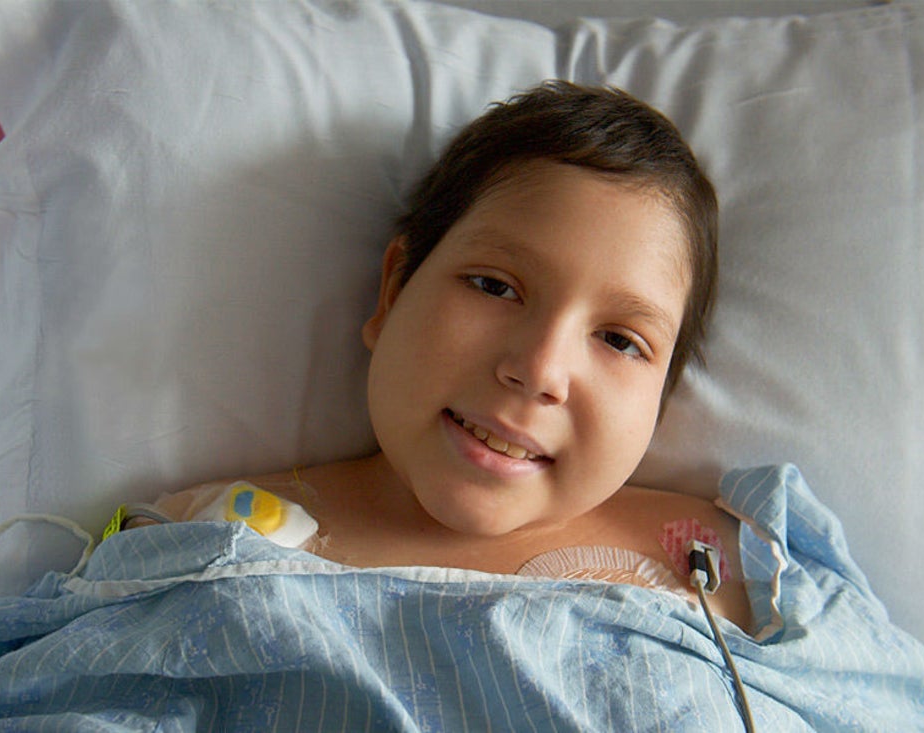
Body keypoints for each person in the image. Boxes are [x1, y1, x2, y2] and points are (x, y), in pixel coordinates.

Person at [121, 80, 753, 631]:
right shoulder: (202, 539)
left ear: (663, 393)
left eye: (619, 340)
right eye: (495, 287)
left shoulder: (741, 569)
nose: (538, 370)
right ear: (394, 291)